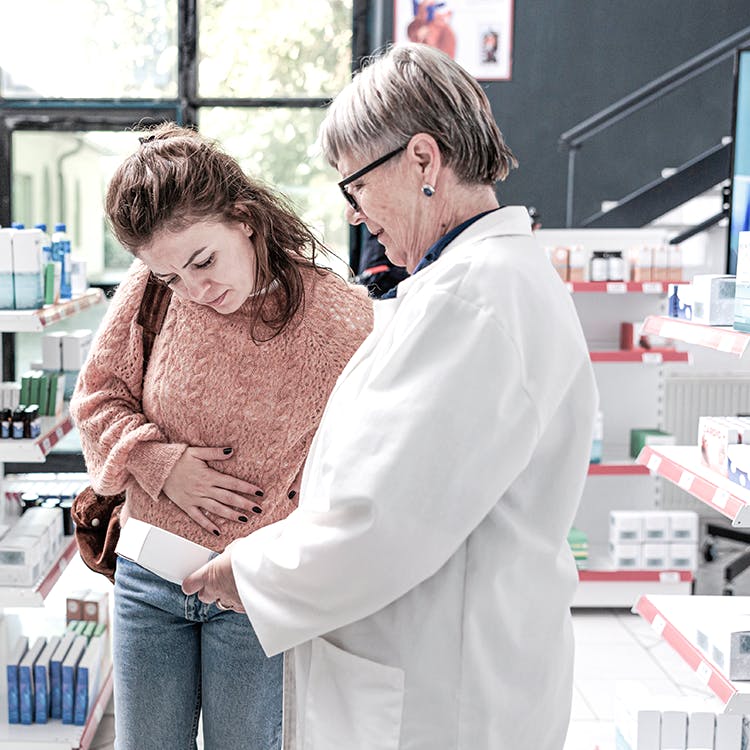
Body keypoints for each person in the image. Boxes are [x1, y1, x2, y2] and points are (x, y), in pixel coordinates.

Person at [183, 42, 598, 750]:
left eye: (357, 186)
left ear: (423, 160)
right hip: (445, 660)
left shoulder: (477, 299)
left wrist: (247, 573)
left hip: (446, 694)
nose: (355, 213)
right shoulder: (468, 284)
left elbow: (387, 518)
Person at [69, 124, 373, 750]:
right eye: (172, 276)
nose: (195, 290)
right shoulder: (151, 292)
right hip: (148, 582)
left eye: (202, 261)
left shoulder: (340, 317)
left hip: (255, 592)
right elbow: (96, 399)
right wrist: (161, 465)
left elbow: (369, 457)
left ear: (245, 218)